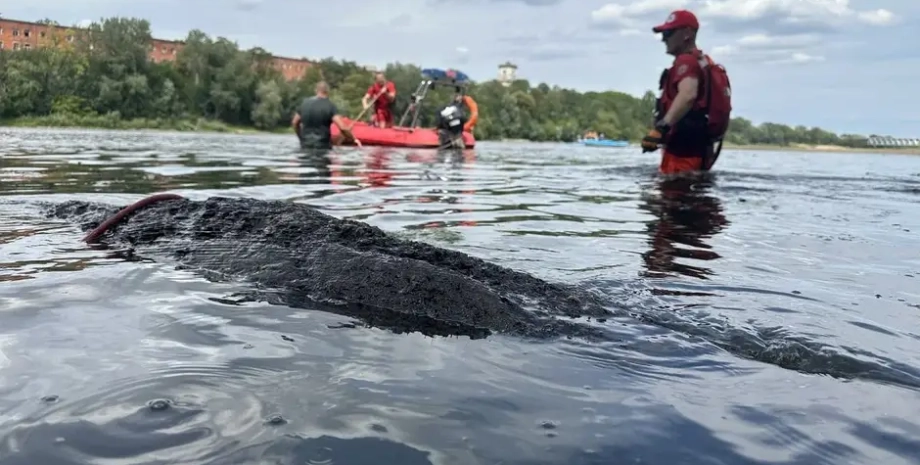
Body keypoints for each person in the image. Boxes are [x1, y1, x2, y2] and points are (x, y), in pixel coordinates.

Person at [641, 9, 732, 175]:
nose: (663, 39)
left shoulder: (686, 61)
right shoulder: (702, 61)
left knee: (672, 196)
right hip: (699, 149)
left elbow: (688, 95)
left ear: (686, 34)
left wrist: (660, 128)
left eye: (668, 33)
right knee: (692, 195)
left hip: (683, 151)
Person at [291, 81, 360, 150]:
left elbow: (294, 122)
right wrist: (353, 139)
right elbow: (343, 128)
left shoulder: (304, 103)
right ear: (327, 91)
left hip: (305, 145)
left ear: (316, 90)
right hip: (322, 146)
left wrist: (301, 137)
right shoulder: (330, 106)